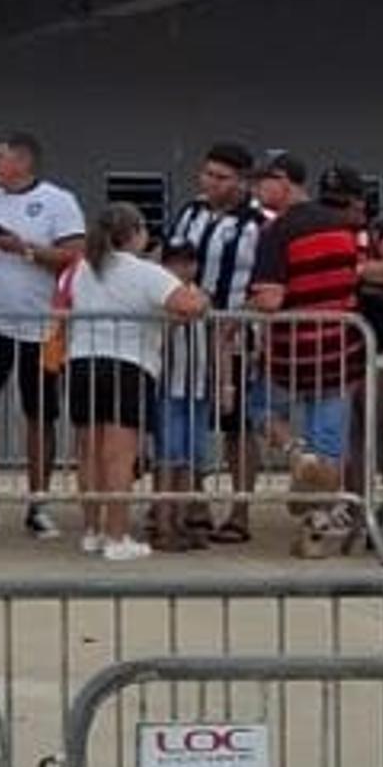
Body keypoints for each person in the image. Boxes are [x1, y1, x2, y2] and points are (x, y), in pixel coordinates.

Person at [0, 132, 84, 537]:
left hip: (39, 326)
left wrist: (24, 248)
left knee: (39, 415)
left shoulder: (59, 201)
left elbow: (74, 256)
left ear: (23, 161)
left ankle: (38, 503)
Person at [247, 163, 374, 558]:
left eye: (261, 182)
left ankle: (294, 454)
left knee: (261, 408)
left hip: (292, 349)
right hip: (341, 346)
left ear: (283, 182)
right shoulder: (345, 229)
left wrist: (243, 308)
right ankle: (316, 531)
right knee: (330, 441)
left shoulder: (277, 231)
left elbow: (270, 299)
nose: (257, 191)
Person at [59, 200, 189, 562]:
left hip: (82, 361)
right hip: (127, 364)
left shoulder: (80, 269)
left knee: (89, 452)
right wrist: (200, 302)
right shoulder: (146, 272)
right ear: (135, 234)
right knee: (119, 455)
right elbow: (188, 304)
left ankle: (92, 529)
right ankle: (117, 535)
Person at [157, 142, 263, 548]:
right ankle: (193, 501)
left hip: (232, 331)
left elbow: (265, 279)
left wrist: (241, 325)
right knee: (183, 413)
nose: (211, 183)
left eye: (222, 177)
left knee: (236, 423)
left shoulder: (257, 224)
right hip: (185, 332)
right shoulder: (190, 213)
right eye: (208, 174)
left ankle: (240, 508)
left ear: (242, 181)